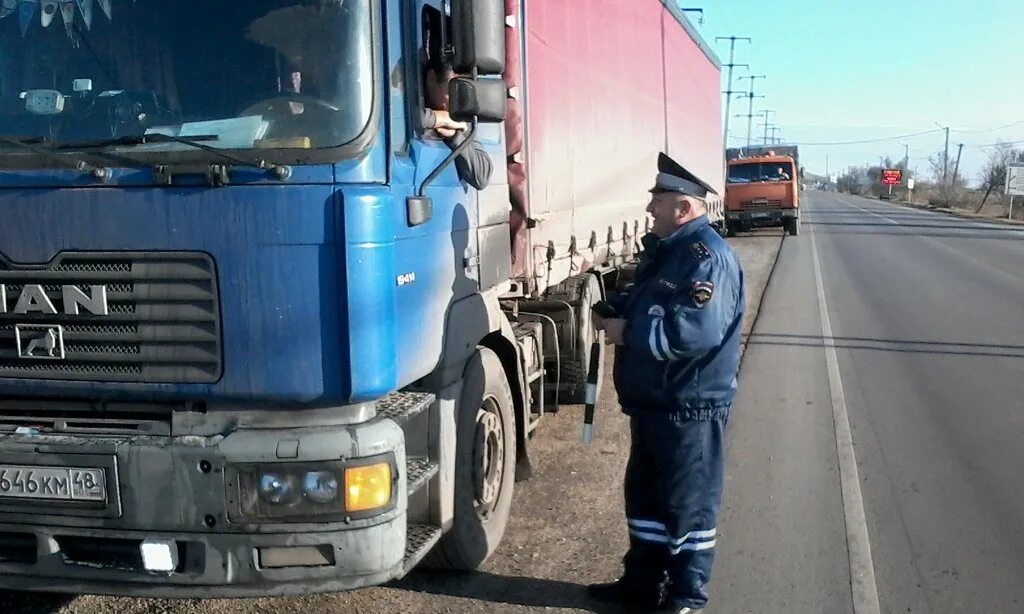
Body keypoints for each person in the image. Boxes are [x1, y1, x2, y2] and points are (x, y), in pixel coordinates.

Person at [588, 153, 745, 613]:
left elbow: (694, 332)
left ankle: (684, 599)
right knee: (648, 503)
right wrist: (619, 305)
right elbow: (652, 301)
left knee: (687, 511)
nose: (648, 208)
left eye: (656, 200)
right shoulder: (671, 253)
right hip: (658, 404)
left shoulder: (706, 258)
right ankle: (641, 586)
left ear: (684, 208)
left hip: (688, 407)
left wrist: (627, 333)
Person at [422, 63, 493, 190]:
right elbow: (403, 116)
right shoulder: (403, 101)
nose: (456, 101)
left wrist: (455, 137)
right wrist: (436, 118)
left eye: (463, 94)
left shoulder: (458, 115)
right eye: (452, 91)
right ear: (431, 79)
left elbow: (481, 177)